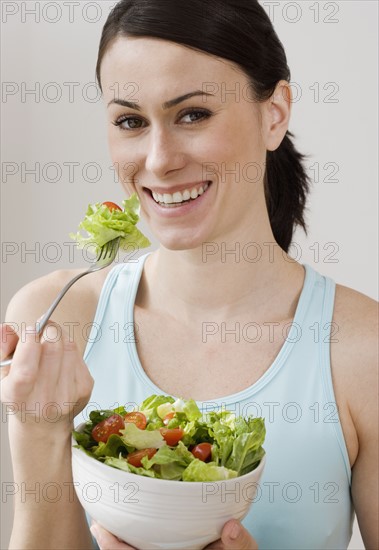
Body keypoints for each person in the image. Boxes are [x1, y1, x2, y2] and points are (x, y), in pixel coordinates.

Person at [1, 0, 378, 548]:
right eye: (131, 121)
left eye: (193, 114)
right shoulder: (56, 320)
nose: (158, 160)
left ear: (274, 114)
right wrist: (36, 430)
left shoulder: (362, 349)